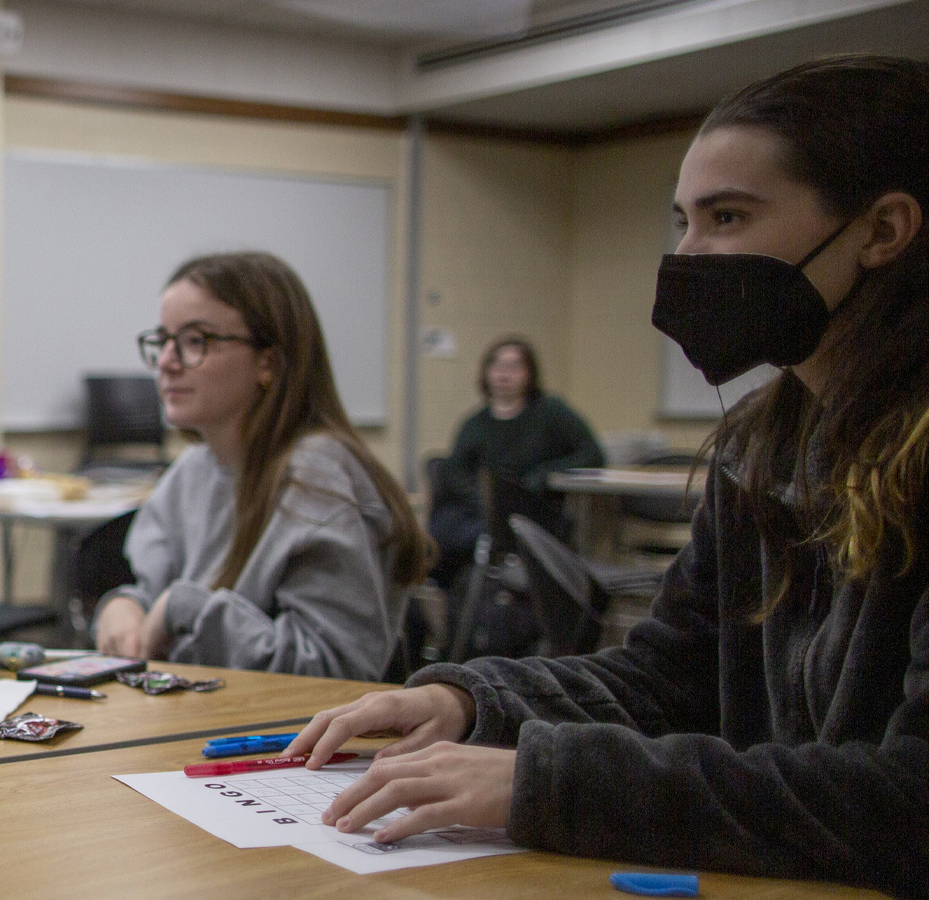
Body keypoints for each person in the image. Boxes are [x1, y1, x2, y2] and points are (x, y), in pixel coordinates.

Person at [284, 55, 929, 898]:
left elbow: (906, 801)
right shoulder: (758, 449)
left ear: (882, 230)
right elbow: (663, 679)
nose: (689, 257)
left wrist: (549, 782)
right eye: (683, 222)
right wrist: (471, 703)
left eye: (728, 217)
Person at [92, 252, 431, 681]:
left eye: (195, 341)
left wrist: (184, 609)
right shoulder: (192, 470)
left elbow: (336, 672)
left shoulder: (315, 475)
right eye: (162, 341)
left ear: (267, 362)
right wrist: (124, 606)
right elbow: (154, 593)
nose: (166, 362)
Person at [425, 335, 604, 588]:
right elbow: (455, 471)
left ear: (529, 374)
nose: (504, 374)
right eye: (497, 366)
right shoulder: (475, 423)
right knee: (444, 530)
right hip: (485, 512)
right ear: (486, 373)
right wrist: (482, 501)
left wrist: (547, 474)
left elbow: (593, 454)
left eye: (514, 366)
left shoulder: (551, 412)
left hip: (535, 511)